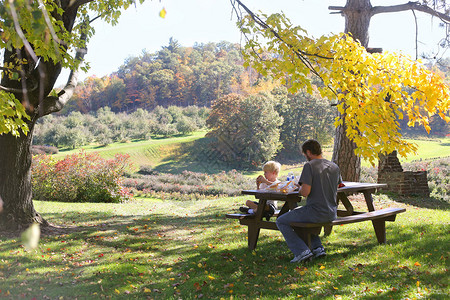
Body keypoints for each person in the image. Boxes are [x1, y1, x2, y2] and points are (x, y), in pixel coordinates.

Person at [276, 139, 342, 263]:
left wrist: (300, 188)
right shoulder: (334, 166)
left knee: (281, 220)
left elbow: (305, 192)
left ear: (308, 152)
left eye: (305, 154)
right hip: (332, 212)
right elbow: (338, 185)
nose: (305, 157)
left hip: (316, 212)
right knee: (298, 214)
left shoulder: (310, 166)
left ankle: (301, 252)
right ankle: (317, 248)